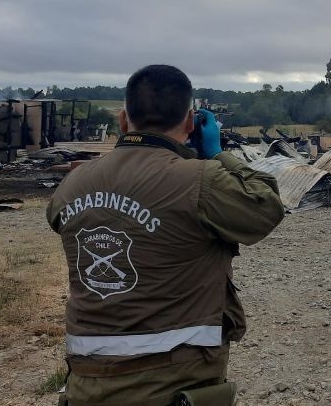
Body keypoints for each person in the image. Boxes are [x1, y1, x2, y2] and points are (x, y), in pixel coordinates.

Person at [47, 65, 285, 406]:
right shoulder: (201, 181)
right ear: (191, 123)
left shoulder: (73, 184)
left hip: (87, 386)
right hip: (173, 384)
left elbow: (58, 219)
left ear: (122, 119)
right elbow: (267, 207)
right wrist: (218, 154)